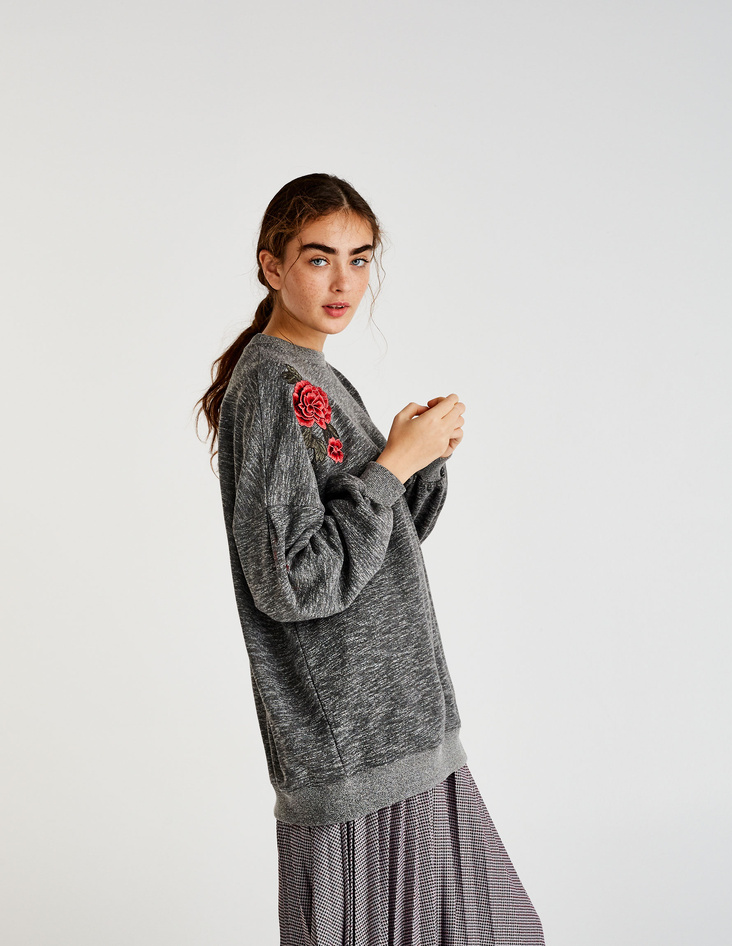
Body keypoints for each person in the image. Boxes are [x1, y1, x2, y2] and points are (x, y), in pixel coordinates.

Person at [195, 173, 546, 945]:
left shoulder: (315, 375)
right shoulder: (273, 385)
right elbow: (294, 582)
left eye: (359, 259)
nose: (343, 281)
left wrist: (417, 460)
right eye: (319, 258)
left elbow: (378, 551)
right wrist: (391, 466)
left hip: (403, 730)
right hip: (355, 751)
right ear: (272, 266)